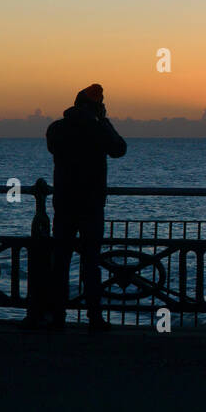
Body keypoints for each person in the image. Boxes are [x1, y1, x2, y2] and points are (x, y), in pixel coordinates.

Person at [22, 84, 127, 332]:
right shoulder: (98, 128)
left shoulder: (57, 129)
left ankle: (57, 317)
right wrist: (104, 121)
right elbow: (119, 149)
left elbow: (53, 147)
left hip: (65, 204)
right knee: (91, 263)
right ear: (96, 107)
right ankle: (94, 318)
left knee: (60, 262)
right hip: (91, 204)